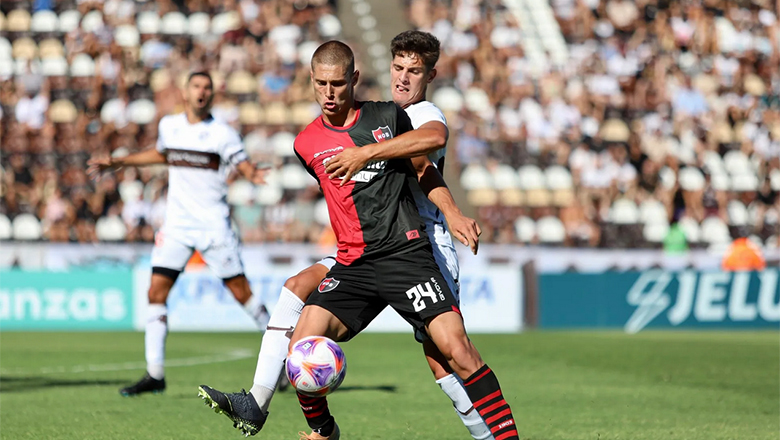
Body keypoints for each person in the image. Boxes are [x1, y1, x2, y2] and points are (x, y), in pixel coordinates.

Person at [206, 41, 520, 440]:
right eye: (321, 84)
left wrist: (452, 211)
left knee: (455, 352)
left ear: (353, 79)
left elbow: (424, 166)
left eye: (337, 83)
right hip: (354, 263)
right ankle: (324, 430)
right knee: (302, 342)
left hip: (405, 254)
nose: (329, 93)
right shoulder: (305, 143)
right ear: (311, 81)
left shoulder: (388, 116)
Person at [87, 72, 270, 396]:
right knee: (155, 293)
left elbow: (242, 163)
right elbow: (162, 154)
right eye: (196, 86)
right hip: (177, 226)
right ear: (185, 91)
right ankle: (155, 374)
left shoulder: (223, 134)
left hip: (214, 226)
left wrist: (251, 173)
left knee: (243, 294)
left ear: (213, 94)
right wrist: (120, 161)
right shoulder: (169, 126)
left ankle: (280, 354)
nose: (202, 91)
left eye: (207, 87)